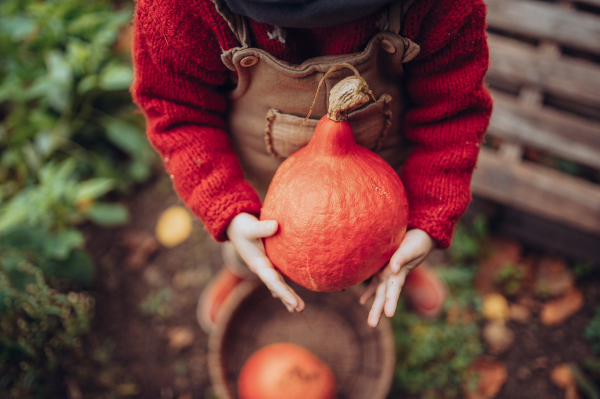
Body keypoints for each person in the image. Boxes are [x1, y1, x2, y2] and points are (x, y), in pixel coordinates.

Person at [130, 0, 493, 332]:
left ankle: (401, 261)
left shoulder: (439, 6)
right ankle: (243, 270)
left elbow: (452, 115)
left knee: (389, 236)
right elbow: (180, 115)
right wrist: (227, 208)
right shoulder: (179, 10)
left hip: (386, 183)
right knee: (247, 241)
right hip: (260, 189)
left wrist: (426, 218)